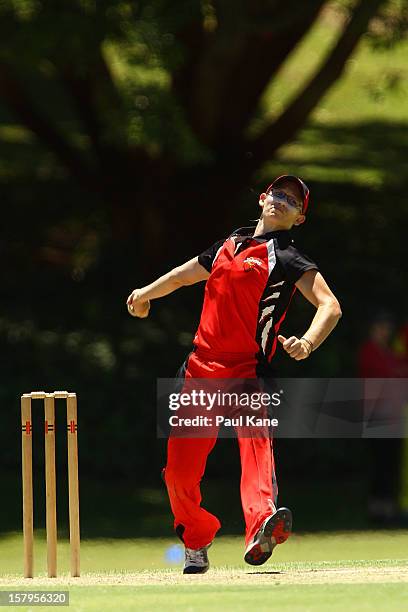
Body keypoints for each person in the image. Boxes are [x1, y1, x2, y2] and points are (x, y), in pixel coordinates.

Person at [127, 175, 342, 574]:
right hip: (200, 370)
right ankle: (196, 537)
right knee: (179, 471)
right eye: (277, 194)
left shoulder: (288, 256)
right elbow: (183, 275)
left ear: (299, 219)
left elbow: (330, 306)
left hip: (248, 371)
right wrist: (145, 294)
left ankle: (262, 523)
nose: (281, 202)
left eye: (292, 202)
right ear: (262, 199)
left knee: (255, 447)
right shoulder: (228, 244)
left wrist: (307, 343)